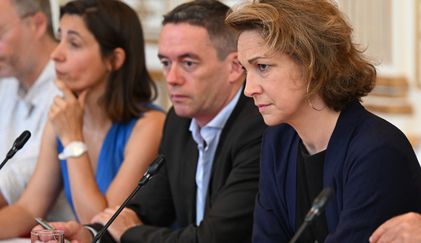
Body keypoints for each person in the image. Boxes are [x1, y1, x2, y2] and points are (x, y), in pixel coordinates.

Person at [39, 1, 266, 242]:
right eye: (166, 63)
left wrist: (130, 233)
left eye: (188, 63)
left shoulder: (258, 130)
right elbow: (145, 210)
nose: (172, 78)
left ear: (234, 67)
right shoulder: (179, 124)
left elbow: (213, 238)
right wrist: (90, 234)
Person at [225, 0, 421, 242]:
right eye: (245, 70)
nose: (248, 89)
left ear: (312, 64)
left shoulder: (377, 151)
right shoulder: (278, 140)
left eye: (263, 67)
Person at [0, 0, 165, 238]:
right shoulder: (63, 119)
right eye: (60, 39)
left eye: (74, 44)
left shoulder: (149, 125)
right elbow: (28, 208)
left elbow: (100, 227)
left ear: (114, 60)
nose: (56, 54)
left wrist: (73, 140)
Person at [0, 0, 74, 221]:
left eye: (0, 32)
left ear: (37, 24)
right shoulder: (6, 82)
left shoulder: (70, 88)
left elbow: (17, 181)